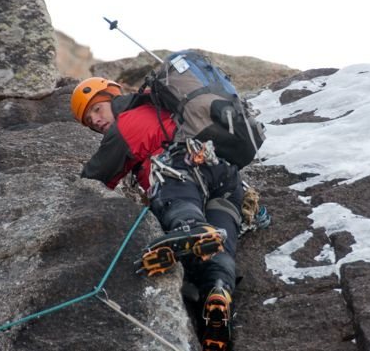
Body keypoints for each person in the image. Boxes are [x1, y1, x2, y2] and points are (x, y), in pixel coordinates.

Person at [70, 77, 243, 351]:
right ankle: (217, 294)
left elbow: (94, 177)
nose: (95, 121)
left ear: (112, 97)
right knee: (219, 241)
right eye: (90, 121)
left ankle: (189, 225)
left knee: (174, 195)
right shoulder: (162, 108)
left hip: (183, 169)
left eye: (97, 109)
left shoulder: (127, 124)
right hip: (225, 179)